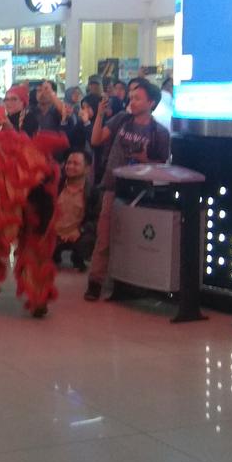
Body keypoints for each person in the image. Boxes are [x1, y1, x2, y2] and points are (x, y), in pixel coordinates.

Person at [85, 80, 171, 301]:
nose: (132, 101)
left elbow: (161, 166)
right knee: (104, 237)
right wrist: (100, 116)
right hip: (113, 185)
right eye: (131, 97)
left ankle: (129, 283)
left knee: (133, 239)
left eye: (138, 98)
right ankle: (95, 281)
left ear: (151, 103)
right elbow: (96, 139)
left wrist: (145, 160)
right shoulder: (122, 120)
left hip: (140, 193)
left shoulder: (159, 132)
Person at [52, 150, 99, 272]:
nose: (70, 166)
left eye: (76, 164)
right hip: (54, 234)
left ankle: (78, 257)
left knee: (89, 239)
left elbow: (96, 220)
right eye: (68, 163)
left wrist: (79, 230)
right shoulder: (55, 186)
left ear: (87, 168)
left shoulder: (93, 193)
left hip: (77, 235)